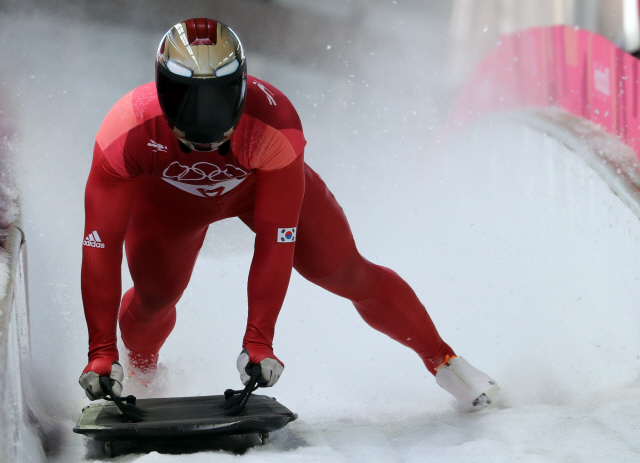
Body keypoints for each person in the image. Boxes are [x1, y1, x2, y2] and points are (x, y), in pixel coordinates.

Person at [78, 18, 499, 408]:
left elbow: (276, 241)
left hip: (256, 185)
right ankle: (143, 373)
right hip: (168, 203)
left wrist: (258, 341)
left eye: (218, 102)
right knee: (155, 296)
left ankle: (445, 362)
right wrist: (101, 352)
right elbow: (100, 245)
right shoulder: (124, 131)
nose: (204, 122)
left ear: (241, 89)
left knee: (343, 270)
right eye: (189, 104)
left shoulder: (275, 124)